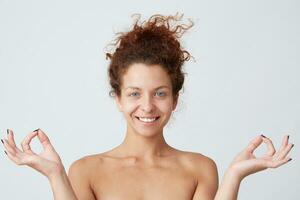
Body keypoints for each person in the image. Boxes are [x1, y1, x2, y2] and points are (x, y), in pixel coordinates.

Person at [1, 13, 294, 200]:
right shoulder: (85, 171)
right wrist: (56, 176)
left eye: (160, 93)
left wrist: (234, 176)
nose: (147, 106)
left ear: (175, 99)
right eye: (134, 94)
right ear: (117, 98)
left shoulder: (200, 169)